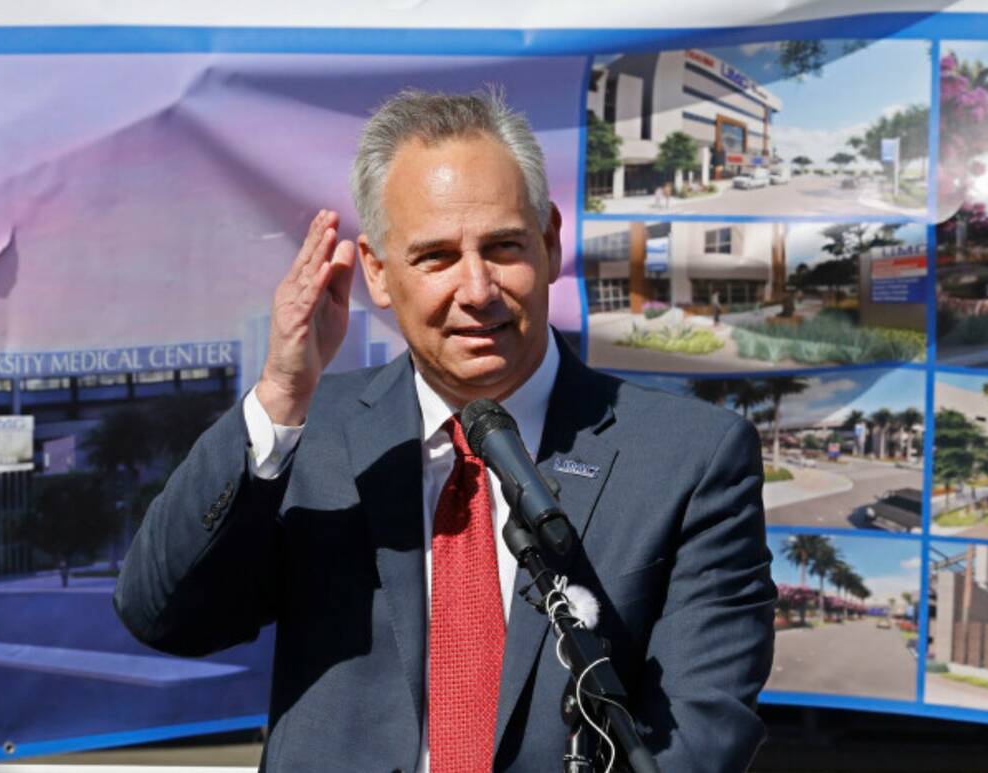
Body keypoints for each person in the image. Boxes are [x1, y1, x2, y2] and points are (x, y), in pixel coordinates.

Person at [115, 88, 775, 773]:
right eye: (436, 257)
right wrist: (281, 394)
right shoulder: (312, 434)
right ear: (377, 270)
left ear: (549, 242)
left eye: (503, 246)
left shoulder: (689, 456)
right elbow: (164, 614)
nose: (478, 288)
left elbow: (700, 731)